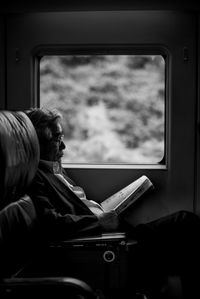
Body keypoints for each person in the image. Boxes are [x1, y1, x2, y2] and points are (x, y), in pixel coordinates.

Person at [26, 107, 200, 299]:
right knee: (186, 225)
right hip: (102, 243)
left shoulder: (54, 169)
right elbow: (51, 222)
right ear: (38, 143)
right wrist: (99, 222)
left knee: (183, 239)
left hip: (110, 232)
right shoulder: (36, 177)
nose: (64, 147)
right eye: (57, 139)